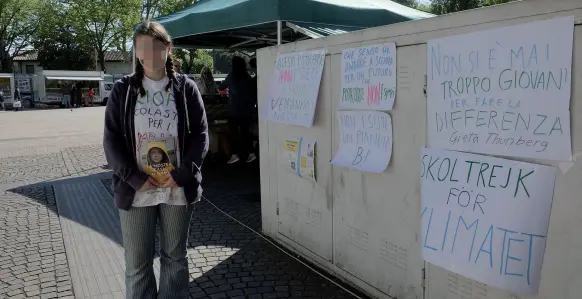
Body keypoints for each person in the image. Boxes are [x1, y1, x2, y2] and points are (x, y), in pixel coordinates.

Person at [103, 20, 208, 299]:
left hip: (175, 186)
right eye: (143, 48)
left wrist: (182, 174)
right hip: (137, 189)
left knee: (175, 258)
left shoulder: (186, 88)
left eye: (157, 47)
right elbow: (111, 139)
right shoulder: (123, 90)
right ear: (136, 53)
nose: (151, 54)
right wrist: (134, 178)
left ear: (169, 49)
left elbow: (200, 135)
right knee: (137, 264)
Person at [218, 56, 257, 164]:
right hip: (247, 110)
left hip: (234, 110)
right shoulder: (248, 77)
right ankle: (250, 153)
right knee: (246, 133)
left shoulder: (231, 76)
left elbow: (221, 87)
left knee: (233, 133)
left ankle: (235, 155)